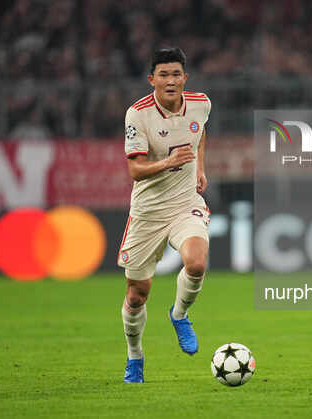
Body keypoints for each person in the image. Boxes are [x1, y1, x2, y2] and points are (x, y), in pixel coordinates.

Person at [117, 47, 211, 383]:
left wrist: (199, 167)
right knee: (136, 295)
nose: (170, 81)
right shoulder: (138, 115)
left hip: (186, 202)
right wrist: (167, 163)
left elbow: (199, 134)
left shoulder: (201, 102)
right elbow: (135, 170)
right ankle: (135, 357)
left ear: (185, 78)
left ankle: (179, 314)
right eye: (163, 75)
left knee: (196, 263)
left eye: (176, 74)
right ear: (151, 79)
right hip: (148, 212)